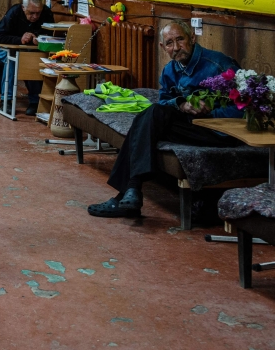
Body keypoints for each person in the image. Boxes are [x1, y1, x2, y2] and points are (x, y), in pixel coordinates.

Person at [88, 20, 243, 218]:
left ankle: (127, 193)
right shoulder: (170, 70)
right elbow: (164, 102)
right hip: (189, 126)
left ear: (192, 38)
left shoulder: (218, 64)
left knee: (145, 120)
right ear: (163, 47)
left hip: (216, 132)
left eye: (180, 40)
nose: (176, 47)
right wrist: (181, 104)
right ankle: (130, 191)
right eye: (170, 43)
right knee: (149, 117)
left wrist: (210, 113)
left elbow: (244, 107)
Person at [0, 0, 55, 116]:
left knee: (34, 59)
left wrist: (40, 38)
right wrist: (19, 39)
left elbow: (51, 35)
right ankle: (6, 100)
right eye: (31, 13)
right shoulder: (14, 13)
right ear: (23, 7)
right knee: (14, 59)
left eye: (38, 13)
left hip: (30, 51)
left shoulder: (46, 13)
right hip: (4, 49)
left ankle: (35, 101)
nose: (35, 16)